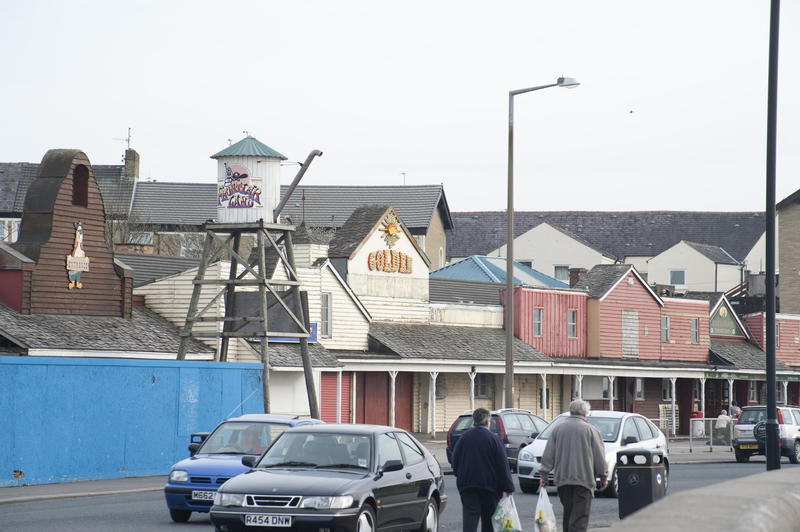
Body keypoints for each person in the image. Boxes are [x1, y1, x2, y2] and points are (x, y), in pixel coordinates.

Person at [539, 399, 607, 532]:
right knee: (579, 519)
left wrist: (544, 475)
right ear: (585, 413)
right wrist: (603, 476)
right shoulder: (591, 430)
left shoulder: (558, 429)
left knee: (568, 515)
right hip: (584, 481)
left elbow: (548, 454)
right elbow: (599, 456)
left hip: (563, 480)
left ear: (571, 411)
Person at [451, 408, 514, 532]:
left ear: (474, 421)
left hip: (468, 486)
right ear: (487, 422)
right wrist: (508, 487)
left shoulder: (464, 438)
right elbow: (502, 465)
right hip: (489, 488)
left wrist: (460, 475)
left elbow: (455, 460)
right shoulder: (494, 439)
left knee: (470, 520)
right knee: (489, 521)